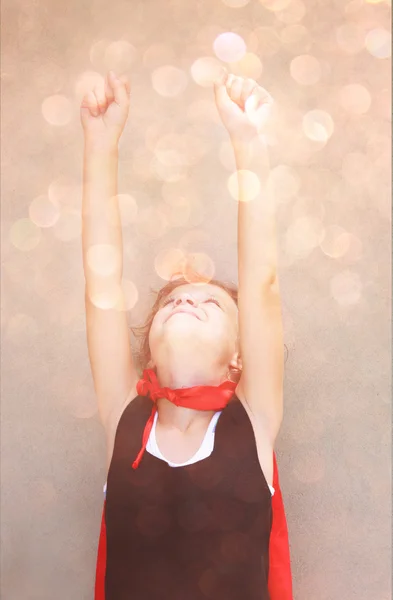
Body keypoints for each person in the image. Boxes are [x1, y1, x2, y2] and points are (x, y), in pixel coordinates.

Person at [81, 69, 293, 599]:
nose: (188, 301)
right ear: (148, 342)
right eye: (173, 300)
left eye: (211, 303)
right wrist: (101, 146)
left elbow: (262, 285)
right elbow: (99, 283)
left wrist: (248, 144)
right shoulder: (122, 416)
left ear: (239, 356)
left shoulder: (256, 417)